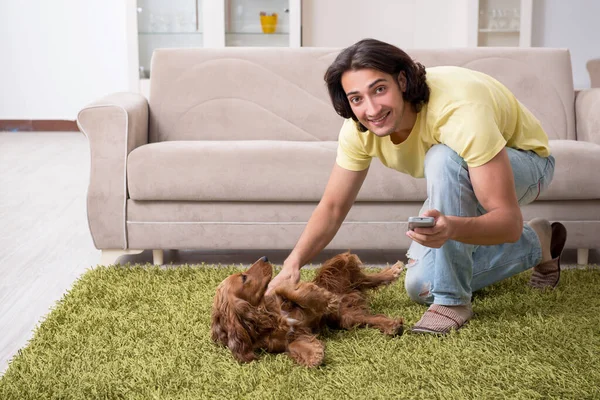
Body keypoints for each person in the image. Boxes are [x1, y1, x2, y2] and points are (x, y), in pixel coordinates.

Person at [265, 38, 567, 335]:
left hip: (527, 167)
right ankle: (539, 243)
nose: (371, 109)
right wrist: (292, 265)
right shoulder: (359, 129)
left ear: (403, 81)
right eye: (357, 98)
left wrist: (451, 228)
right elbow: (332, 208)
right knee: (421, 286)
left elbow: (507, 222)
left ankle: (452, 302)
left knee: (442, 157)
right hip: (463, 177)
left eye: (379, 89)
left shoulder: (458, 112)